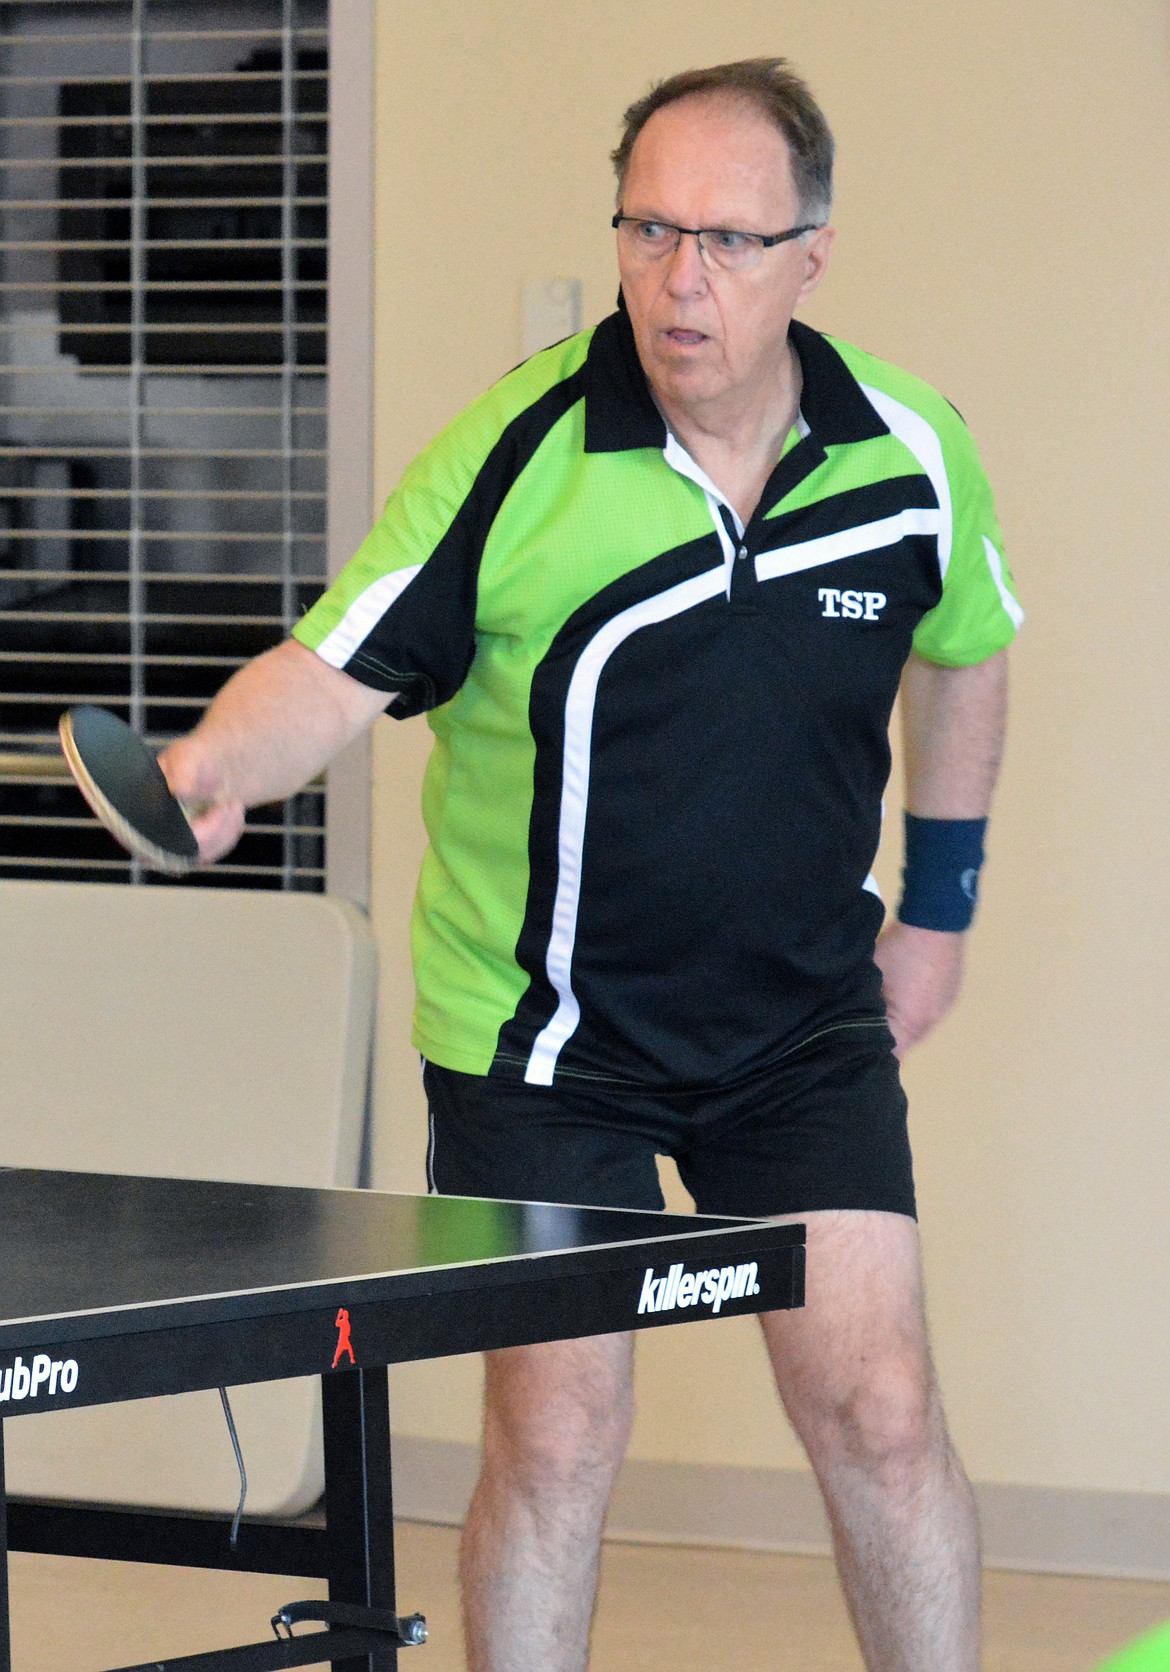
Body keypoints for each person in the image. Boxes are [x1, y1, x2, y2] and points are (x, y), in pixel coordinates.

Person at [161, 58, 1021, 1672]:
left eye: (724, 240)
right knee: (558, 1437)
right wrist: (213, 769)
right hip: (544, 1045)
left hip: (797, 1026)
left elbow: (965, 649)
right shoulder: (516, 454)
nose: (678, 280)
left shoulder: (910, 452)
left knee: (881, 1410)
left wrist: (941, 911)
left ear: (809, 256)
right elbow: (333, 660)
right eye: (646, 230)